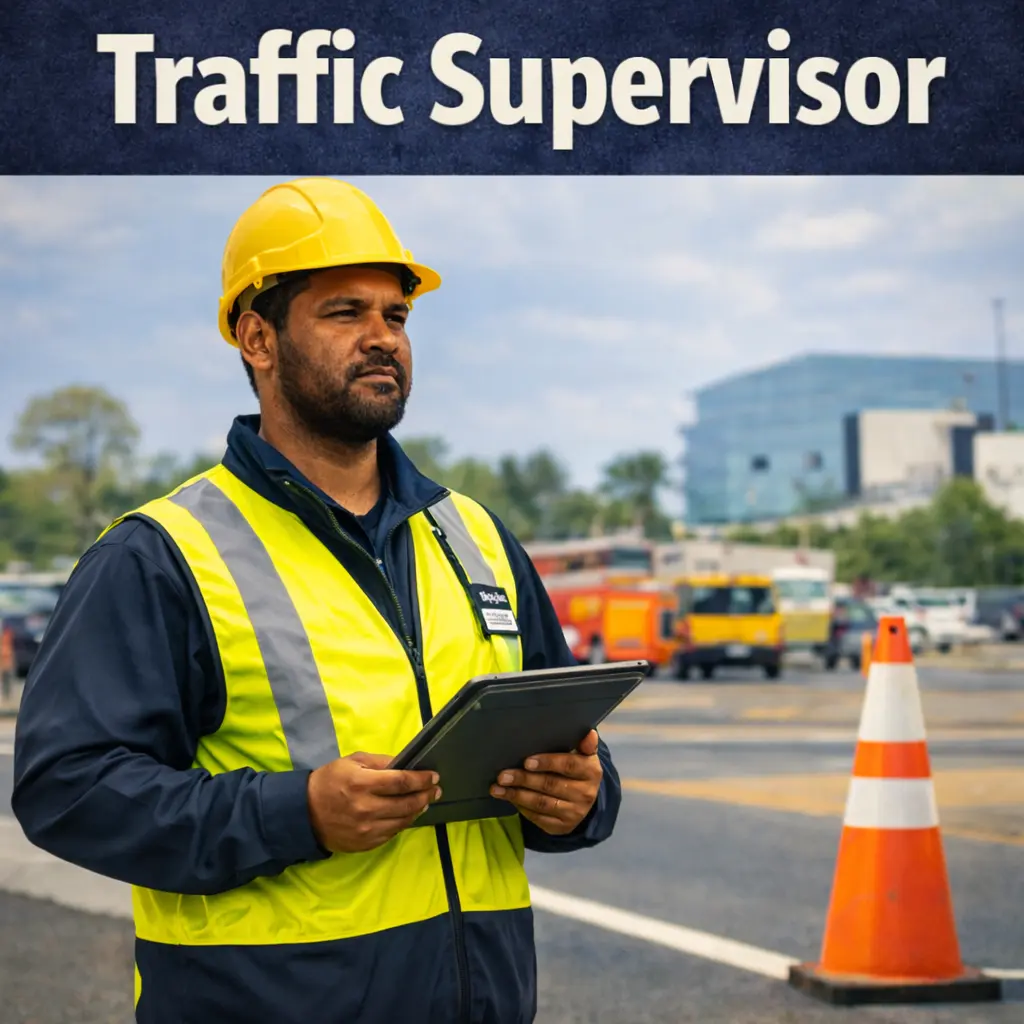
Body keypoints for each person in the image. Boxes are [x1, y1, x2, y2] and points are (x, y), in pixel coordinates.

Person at [11, 178, 621, 1024]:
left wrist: (581, 800)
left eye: (396, 315)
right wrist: (295, 813)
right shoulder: (162, 554)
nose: (383, 338)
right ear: (257, 338)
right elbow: (67, 789)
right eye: (346, 313)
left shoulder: (474, 535)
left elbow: (568, 739)